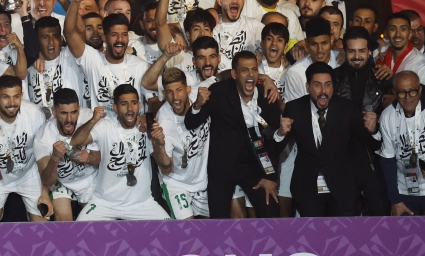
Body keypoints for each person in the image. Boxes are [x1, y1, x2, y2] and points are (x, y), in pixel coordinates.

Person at [185, 52, 284, 218]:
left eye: (254, 69)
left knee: (271, 211)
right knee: (218, 220)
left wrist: (270, 177)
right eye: (245, 70)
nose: (250, 74)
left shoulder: (268, 96)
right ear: (234, 74)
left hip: (254, 169)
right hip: (223, 170)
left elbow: (272, 145)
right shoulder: (219, 92)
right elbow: (191, 123)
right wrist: (197, 104)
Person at [275, 62, 375, 217]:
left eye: (328, 85)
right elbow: (276, 147)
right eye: (317, 85)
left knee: (342, 237)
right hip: (307, 189)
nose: (323, 91)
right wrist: (280, 133)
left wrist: (373, 130)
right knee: (313, 237)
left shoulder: (347, 108)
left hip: (342, 189)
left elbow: (365, 142)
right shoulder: (294, 108)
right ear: (308, 87)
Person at [72, 84, 171, 221]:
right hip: (104, 204)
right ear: (115, 108)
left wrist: (160, 146)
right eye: (124, 104)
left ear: (140, 105)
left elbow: (167, 169)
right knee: (78, 233)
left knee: (171, 235)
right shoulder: (105, 126)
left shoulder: (147, 127)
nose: (130, 108)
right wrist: (93, 120)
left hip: (142, 204)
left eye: (134, 103)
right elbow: (75, 142)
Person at [0, 75, 50, 222]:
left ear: (22, 95)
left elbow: (43, 154)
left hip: (29, 174)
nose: (12, 103)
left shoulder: (35, 115)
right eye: (5, 97)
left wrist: (45, 192)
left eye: (16, 97)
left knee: (42, 225)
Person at [334, 25, 392, 216]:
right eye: (351, 51)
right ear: (344, 51)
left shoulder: (382, 79)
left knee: (379, 214)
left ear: (369, 51)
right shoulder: (333, 79)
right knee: (345, 219)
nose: (357, 56)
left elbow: (393, 121)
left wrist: (377, 126)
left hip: (373, 158)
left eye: (361, 51)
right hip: (342, 159)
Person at [379, 71, 425, 216]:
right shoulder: (387, 116)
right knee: (405, 236)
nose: (407, 97)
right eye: (401, 93)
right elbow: (387, 160)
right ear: (394, 92)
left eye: (412, 91)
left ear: (419, 90)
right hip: (404, 188)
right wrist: (394, 200)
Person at [65, 0, 151, 113]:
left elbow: (152, 100)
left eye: (124, 35)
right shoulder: (93, 60)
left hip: (132, 130)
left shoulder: (140, 65)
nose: (120, 39)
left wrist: (146, 120)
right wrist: (74, 2)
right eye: (114, 35)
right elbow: (69, 34)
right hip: (101, 128)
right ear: (104, 37)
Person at [157, 67, 212, 219]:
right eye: (169, 91)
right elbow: (167, 170)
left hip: (202, 183)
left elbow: (224, 76)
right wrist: (159, 146)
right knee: (186, 232)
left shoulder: (199, 94)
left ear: (188, 89)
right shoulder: (164, 121)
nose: (175, 97)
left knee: (212, 231)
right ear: (164, 94)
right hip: (177, 185)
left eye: (179, 90)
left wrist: (265, 78)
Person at [35, 88, 97, 221]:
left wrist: (90, 158)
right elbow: (47, 181)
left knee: (93, 223)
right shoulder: (43, 137)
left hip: (90, 179)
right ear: (54, 112)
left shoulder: (89, 118)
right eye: (63, 113)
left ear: (79, 109)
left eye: (74, 112)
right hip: (61, 182)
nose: (69, 119)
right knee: (64, 222)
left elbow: (102, 158)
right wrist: (54, 158)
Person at [27, 16, 85, 117]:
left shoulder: (70, 56)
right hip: (40, 128)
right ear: (36, 40)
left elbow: (80, 31)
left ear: (61, 39)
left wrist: (70, 2)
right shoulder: (29, 65)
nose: (51, 42)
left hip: (71, 124)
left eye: (55, 36)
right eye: (45, 37)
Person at [211, 0, 263, 71]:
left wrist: (263, 53)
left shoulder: (254, 25)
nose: (235, 0)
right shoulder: (211, 24)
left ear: (244, 1)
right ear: (220, 1)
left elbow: (274, 43)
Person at [376, 12, 425, 86]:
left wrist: (392, 79)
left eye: (403, 29)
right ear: (386, 34)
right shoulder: (381, 55)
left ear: (409, 34)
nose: (398, 34)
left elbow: (419, 96)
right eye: (393, 29)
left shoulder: (422, 65)